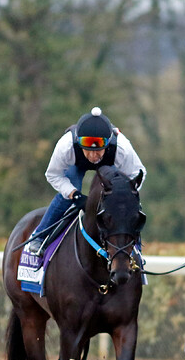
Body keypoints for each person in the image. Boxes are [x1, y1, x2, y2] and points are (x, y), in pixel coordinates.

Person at [28, 107, 146, 255]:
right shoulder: (66, 146)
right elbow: (53, 175)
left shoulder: (122, 148)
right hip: (76, 165)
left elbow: (137, 174)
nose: (92, 156)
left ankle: (137, 247)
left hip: (109, 167)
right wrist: (74, 194)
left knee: (124, 201)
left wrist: (123, 196)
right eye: (87, 150)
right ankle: (39, 236)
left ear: (108, 144)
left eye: (98, 150)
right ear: (78, 142)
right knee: (70, 188)